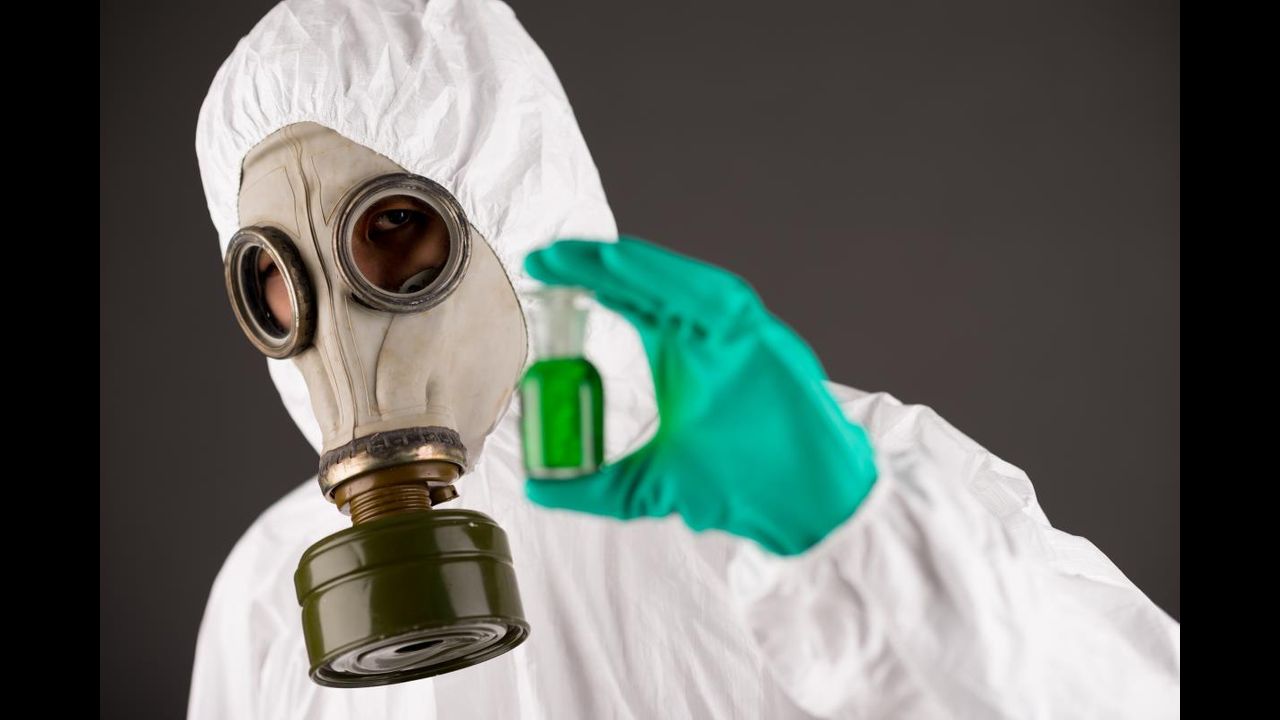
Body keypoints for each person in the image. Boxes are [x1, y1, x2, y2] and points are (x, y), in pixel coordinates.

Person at [188, 0, 1180, 718]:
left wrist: (856, 544)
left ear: (505, 200)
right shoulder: (267, 599)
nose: (342, 324)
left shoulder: (841, 482)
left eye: (392, 226)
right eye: (277, 271)